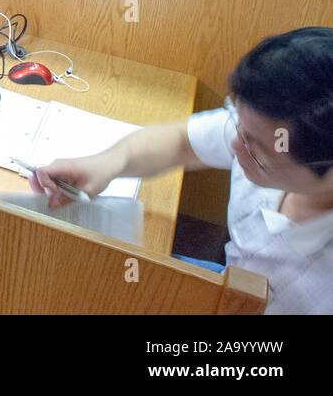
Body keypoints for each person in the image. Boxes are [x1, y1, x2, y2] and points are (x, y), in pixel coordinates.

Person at [30, 27, 333, 315]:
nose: (235, 146)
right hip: (228, 285)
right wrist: (107, 164)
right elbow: (181, 142)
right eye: (238, 126)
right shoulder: (265, 127)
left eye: (256, 150)